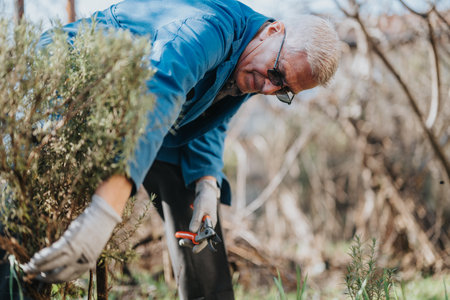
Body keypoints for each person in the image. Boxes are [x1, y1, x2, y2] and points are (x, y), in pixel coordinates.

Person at [1, 0, 340, 299]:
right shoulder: (207, 25)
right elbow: (160, 90)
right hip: (67, 91)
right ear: (274, 31)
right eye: (276, 74)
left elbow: (209, 119)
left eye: (284, 90)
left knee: (199, 214)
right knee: (21, 226)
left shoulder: (256, 61)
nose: (269, 88)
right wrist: (104, 212)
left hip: (143, 121)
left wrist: (207, 184)